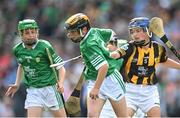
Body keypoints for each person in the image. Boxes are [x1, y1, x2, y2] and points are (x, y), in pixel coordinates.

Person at [110, 17, 180, 117]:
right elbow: (116, 54)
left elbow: (163, 61)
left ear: (148, 31)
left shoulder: (158, 48)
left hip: (149, 91)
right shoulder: (129, 47)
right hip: (129, 90)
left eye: (138, 31)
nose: (135, 35)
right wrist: (104, 54)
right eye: (132, 32)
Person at [64, 13, 128, 117]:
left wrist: (96, 88)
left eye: (73, 32)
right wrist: (112, 44)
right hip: (95, 79)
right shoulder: (93, 31)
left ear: (84, 30)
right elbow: (111, 33)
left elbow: (104, 67)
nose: (70, 35)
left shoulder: (88, 45)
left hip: (110, 80)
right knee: (92, 116)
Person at [5, 19, 67, 117]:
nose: (31, 35)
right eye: (27, 33)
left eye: (33, 32)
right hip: (33, 91)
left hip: (50, 89)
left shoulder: (45, 46)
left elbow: (61, 67)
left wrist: (61, 82)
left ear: (37, 32)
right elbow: (21, 65)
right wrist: (17, 84)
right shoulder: (17, 49)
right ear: (21, 34)